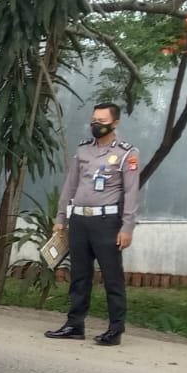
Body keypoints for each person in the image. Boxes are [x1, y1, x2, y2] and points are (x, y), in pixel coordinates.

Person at [45, 101, 141, 346]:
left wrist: (127, 227)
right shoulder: (84, 150)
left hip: (107, 222)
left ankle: (115, 329)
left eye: (102, 121)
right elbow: (70, 185)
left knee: (112, 278)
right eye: (94, 121)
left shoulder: (126, 153)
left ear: (115, 123)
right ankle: (74, 324)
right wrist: (60, 218)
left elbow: (131, 193)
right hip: (79, 220)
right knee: (79, 276)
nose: (96, 125)